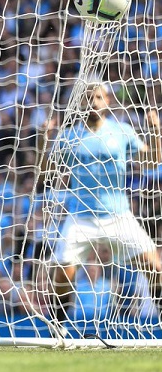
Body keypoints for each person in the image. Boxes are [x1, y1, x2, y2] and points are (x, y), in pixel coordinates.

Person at [39, 81, 162, 329]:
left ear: (107, 101)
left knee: (155, 268)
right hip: (80, 216)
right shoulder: (69, 136)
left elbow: (152, 161)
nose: (92, 102)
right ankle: (57, 328)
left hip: (118, 215)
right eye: (88, 98)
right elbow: (46, 173)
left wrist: (156, 130)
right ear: (80, 103)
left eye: (97, 97)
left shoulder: (122, 131)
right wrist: (45, 141)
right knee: (63, 274)